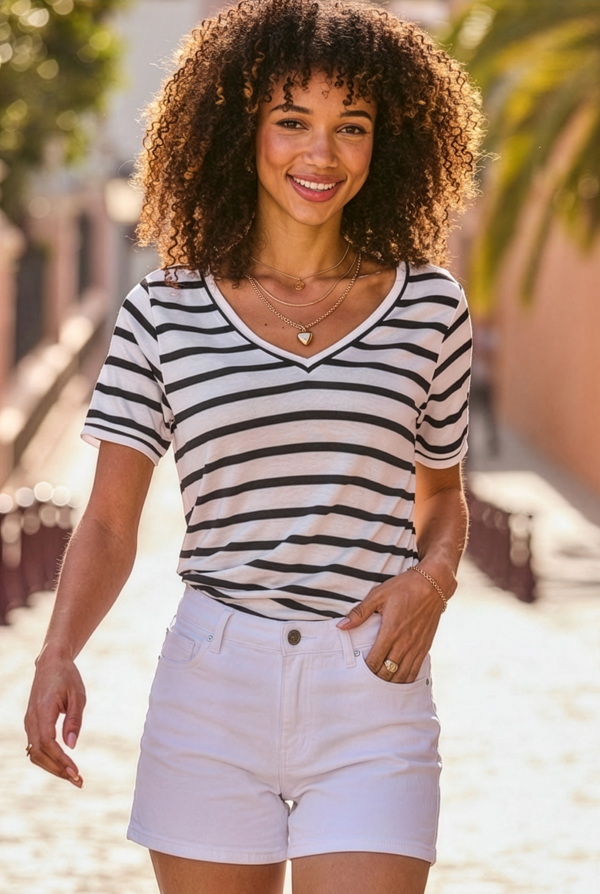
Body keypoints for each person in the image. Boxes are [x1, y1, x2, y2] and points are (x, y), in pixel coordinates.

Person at [24, 1, 483, 891]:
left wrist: (434, 579)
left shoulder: (430, 308)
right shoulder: (163, 310)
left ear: (385, 143)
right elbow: (111, 521)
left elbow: (443, 494)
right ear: (242, 129)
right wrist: (57, 653)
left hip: (372, 689)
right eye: (292, 121)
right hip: (211, 689)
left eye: (352, 126)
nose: (322, 154)